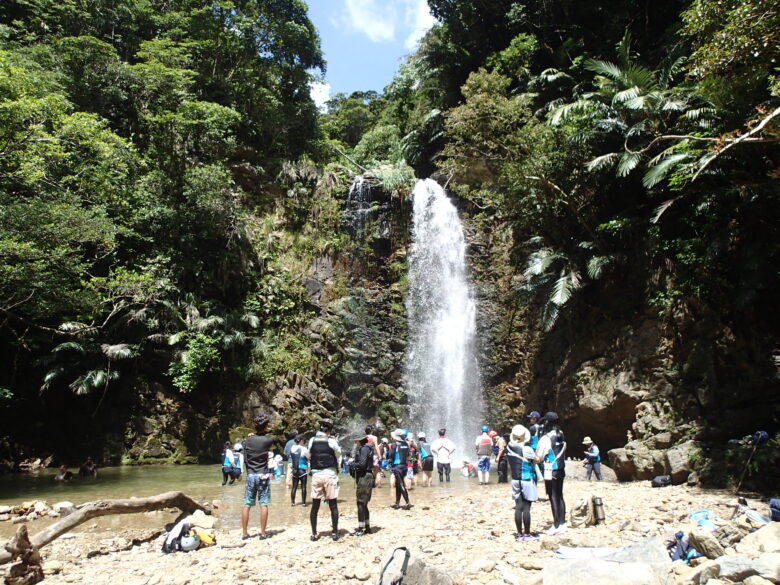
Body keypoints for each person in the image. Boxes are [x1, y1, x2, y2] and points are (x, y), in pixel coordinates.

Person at [308, 418, 342, 541]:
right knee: (333, 505)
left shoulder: (312, 440)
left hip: (316, 474)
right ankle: (334, 533)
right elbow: (338, 455)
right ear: (330, 430)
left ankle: (314, 533)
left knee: (315, 506)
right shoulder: (332, 441)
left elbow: (309, 454)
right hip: (329, 474)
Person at [241, 414, 274, 540]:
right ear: (265, 426)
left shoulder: (246, 440)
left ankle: (244, 533)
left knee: (247, 504)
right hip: (263, 475)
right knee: (263, 504)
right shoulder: (268, 440)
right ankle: (263, 533)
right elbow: (268, 438)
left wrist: (250, 435)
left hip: (251, 475)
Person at [535, 412, 567, 534]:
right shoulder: (561, 434)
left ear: (547, 423)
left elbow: (539, 456)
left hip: (550, 470)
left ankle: (556, 525)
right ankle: (563, 523)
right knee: (560, 495)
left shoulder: (546, 438)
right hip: (561, 469)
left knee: (553, 496)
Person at [505, 425, 539, 541]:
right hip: (526, 479)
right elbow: (537, 459)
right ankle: (527, 534)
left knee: (518, 507)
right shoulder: (527, 450)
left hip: (515, 480)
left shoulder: (508, 447)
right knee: (526, 508)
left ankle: (519, 534)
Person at [352, 435, 375, 535]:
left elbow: (362, 464)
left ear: (360, 440)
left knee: (360, 503)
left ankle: (361, 529)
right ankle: (367, 527)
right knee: (364, 503)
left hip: (365, 477)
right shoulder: (367, 448)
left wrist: (353, 465)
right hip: (367, 476)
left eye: (356, 441)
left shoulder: (364, 449)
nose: (355, 442)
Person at [388, 429, 411, 509]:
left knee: (401, 484)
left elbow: (390, 454)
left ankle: (408, 502)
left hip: (397, 466)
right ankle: (397, 503)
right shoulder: (406, 444)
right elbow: (407, 454)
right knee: (398, 485)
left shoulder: (395, 444)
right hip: (404, 466)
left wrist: (389, 458)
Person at [290, 434, 309, 506]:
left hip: (294, 470)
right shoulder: (304, 449)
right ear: (301, 441)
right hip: (302, 470)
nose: (304, 442)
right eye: (304, 440)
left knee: (294, 486)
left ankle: (293, 502)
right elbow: (308, 456)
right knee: (303, 486)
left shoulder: (292, 447)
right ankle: (303, 503)